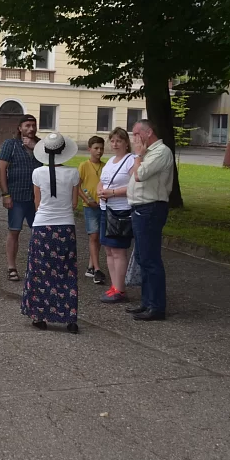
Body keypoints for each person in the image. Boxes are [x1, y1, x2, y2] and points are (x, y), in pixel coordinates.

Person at [20, 133, 81, 333]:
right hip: (65, 227)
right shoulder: (73, 173)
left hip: (42, 226)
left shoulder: (37, 173)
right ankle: (69, 317)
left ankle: (40, 316)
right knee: (66, 271)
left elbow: (37, 202)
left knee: (40, 272)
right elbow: (74, 203)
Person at [126, 119, 174, 321]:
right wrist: (140, 156)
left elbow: (140, 175)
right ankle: (147, 302)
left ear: (148, 132)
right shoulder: (147, 153)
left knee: (150, 258)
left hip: (151, 208)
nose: (134, 138)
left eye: (137, 134)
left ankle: (156, 306)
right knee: (142, 257)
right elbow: (132, 173)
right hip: (140, 208)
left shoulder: (161, 152)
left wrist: (138, 155)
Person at [0, 114, 41, 281]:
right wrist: (5, 194)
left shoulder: (41, 145)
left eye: (33, 125)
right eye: (27, 125)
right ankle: (11, 267)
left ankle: (37, 266)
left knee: (39, 232)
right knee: (14, 231)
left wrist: (34, 147)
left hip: (37, 197)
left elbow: (51, 163)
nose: (31, 128)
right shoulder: (11, 144)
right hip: (16, 195)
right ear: (20, 128)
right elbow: (1, 169)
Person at [97, 128, 135, 304]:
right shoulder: (111, 161)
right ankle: (114, 286)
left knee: (118, 250)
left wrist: (112, 193)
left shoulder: (131, 160)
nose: (115, 144)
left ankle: (120, 289)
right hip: (106, 208)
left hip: (121, 210)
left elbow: (134, 186)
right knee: (108, 250)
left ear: (126, 143)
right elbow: (102, 181)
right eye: (112, 141)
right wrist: (100, 190)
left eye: (119, 141)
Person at [78, 136, 107, 284]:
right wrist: (87, 200)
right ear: (90, 149)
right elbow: (77, 186)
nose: (99, 151)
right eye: (96, 148)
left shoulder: (105, 166)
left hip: (103, 205)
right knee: (93, 236)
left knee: (99, 237)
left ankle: (91, 265)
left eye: (101, 148)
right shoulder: (84, 166)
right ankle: (97, 269)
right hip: (89, 207)